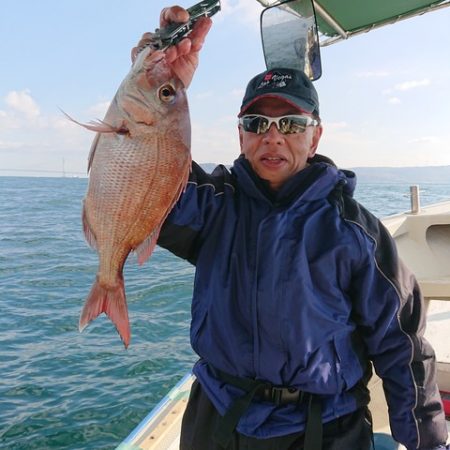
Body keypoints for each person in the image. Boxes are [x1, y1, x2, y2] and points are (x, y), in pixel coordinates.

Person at [132, 6, 449, 450]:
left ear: (315, 136)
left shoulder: (357, 233)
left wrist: (427, 442)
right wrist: (154, 77)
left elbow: (403, 348)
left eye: (291, 123)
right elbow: (141, 178)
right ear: (240, 136)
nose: (273, 136)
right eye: (256, 124)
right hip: (219, 419)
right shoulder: (211, 206)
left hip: (325, 428)